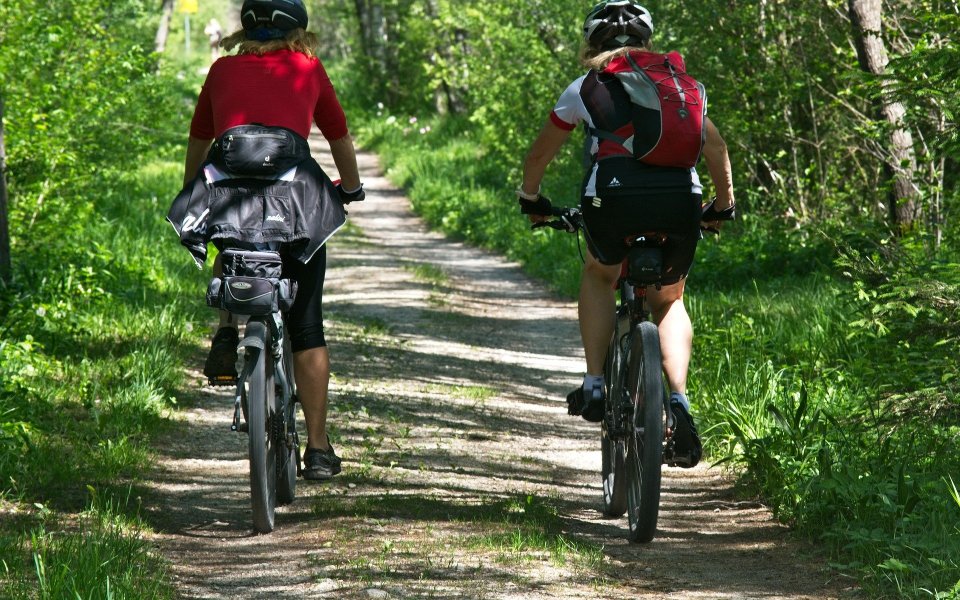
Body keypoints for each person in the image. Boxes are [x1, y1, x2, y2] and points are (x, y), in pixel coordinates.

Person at [517, 0, 735, 467]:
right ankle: (679, 401)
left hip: (612, 201)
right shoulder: (680, 85)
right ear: (646, 42)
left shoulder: (585, 87)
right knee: (669, 300)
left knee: (600, 273)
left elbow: (538, 157)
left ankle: (595, 383)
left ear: (591, 44)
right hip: (680, 200)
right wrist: (722, 207)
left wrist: (532, 200)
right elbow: (715, 147)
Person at [181, 0, 364, 481]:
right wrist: (351, 188)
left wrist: (192, 191)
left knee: (228, 236)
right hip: (296, 206)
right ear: (297, 31)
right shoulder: (307, 67)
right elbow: (338, 136)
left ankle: (226, 326)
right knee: (307, 325)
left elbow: (200, 142)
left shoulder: (221, 71)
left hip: (230, 199)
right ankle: (319, 448)